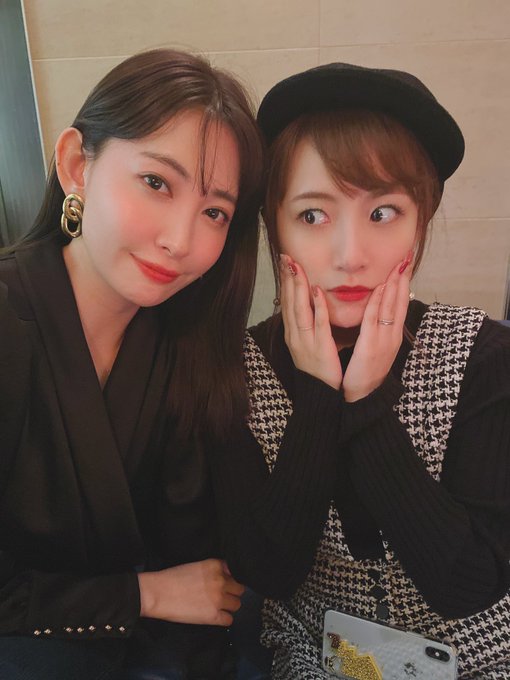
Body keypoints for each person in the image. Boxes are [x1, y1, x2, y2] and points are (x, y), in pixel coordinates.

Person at [210, 63, 510, 678]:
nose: (350, 256)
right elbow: (268, 573)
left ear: (420, 220)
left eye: (384, 213)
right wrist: (319, 398)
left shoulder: (481, 355)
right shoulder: (236, 372)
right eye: (313, 216)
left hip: (480, 658)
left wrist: (369, 402)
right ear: (273, 225)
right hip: (317, 658)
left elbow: (470, 583)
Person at [0, 48, 264, 679]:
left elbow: (207, 567)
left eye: (214, 212)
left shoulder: (186, 343)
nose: (180, 241)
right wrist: (140, 595)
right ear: (76, 165)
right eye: (156, 183)